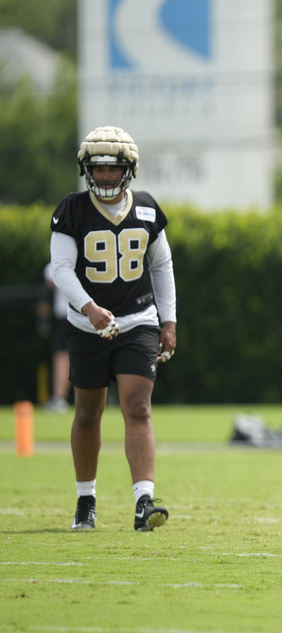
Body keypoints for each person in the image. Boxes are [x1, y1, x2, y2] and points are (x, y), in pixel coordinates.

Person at [49, 125, 177, 532]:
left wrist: (169, 320)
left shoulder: (146, 209)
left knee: (138, 406)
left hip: (138, 319)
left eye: (113, 167)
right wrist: (89, 308)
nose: (104, 176)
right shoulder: (71, 209)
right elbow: (61, 269)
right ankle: (86, 498)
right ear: (87, 169)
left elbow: (161, 266)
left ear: (129, 170)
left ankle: (144, 502)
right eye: (98, 168)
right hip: (87, 325)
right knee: (89, 411)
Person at [43, 261, 71, 412]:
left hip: (70, 314)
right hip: (70, 314)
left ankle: (59, 398)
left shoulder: (57, 262)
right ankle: (60, 398)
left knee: (63, 357)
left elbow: (50, 283)